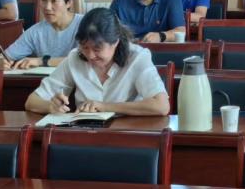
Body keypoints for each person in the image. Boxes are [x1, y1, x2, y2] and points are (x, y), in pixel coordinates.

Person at [25, 8, 169, 116]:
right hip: (85, 134)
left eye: (97, 49)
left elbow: (161, 106)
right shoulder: (75, 58)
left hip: (127, 133)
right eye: (84, 47)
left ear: (115, 42)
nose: (90, 55)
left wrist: (105, 106)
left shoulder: (137, 57)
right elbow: (31, 101)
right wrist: (50, 106)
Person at [0, 0, 82, 70]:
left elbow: (85, 59)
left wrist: (42, 61)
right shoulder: (36, 31)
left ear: (69, 3)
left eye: (54, 1)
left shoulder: (85, 24)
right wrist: (0, 63)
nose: (47, 7)